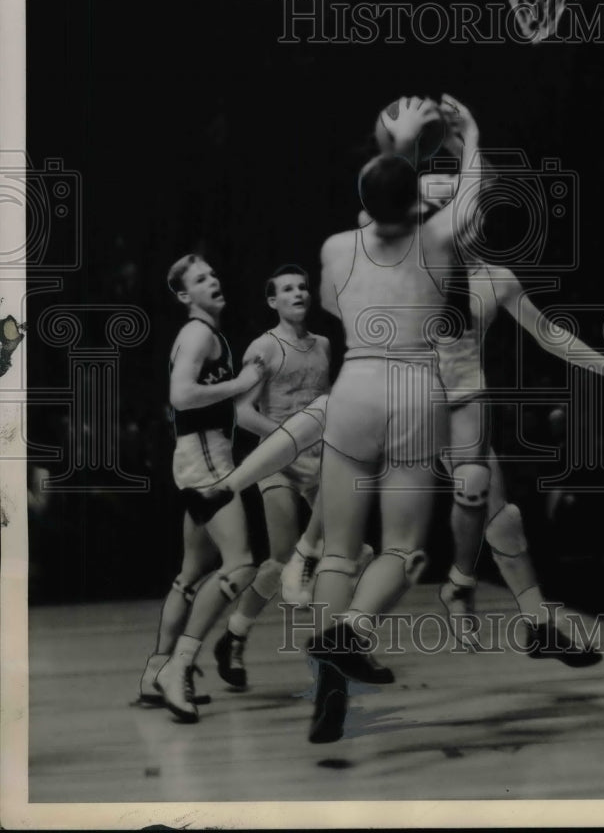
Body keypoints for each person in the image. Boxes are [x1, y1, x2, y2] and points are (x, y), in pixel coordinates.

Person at [306, 94, 483, 743]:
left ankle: (327, 679)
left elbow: (376, 204)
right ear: (417, 202)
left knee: (337, 550)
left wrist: (396, 147)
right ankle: (351, 633)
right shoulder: (438, 238)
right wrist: (470, 135)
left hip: (353, 385)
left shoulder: (333, 247)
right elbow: (470, 196)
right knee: (405, 549)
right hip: (413, 387)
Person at [431, 237, 604, 661]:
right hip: (392, 402)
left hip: (457, 406)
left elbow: (548, 333)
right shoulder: (404, 261)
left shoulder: (495, 279)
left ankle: (537, 625)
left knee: (503, 518)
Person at [136, 254, 262, 723]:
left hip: (195, 459)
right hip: (207, 460)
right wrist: (241, 382)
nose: (214, 279)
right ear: (185, 295)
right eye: (201, 278)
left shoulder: (203, 334)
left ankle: (154, 673)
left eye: (214, 272)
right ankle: (179, 667)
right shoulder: (198, 333)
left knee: (189, 577)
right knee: (242, 566)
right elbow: (181, 395)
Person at [213, 265, 344, 688]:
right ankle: (234, 636)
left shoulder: (323, 344)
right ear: (273, 301)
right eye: (287, 289)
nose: (298, 293)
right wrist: (289, 440)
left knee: (343, 553)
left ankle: (339, 647)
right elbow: (244, 414)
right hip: (279, 463)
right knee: (281, 559)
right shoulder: (264, 348)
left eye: (303, 287)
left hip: (322, 464)